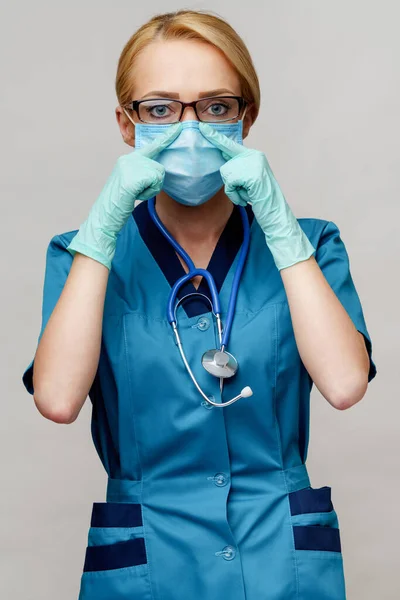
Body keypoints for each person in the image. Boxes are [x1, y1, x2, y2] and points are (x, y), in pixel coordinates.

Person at [22, 9, 377, 600]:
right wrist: (102, 231)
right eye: (160, 109)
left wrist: (282, 231)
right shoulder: (83, 257)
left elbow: (345, 385)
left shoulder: (310, 245)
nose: (190, 130)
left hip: (280, 562)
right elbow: (56, 400)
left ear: (246, 117)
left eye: (215, 107)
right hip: (148, 562)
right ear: (126, 123)